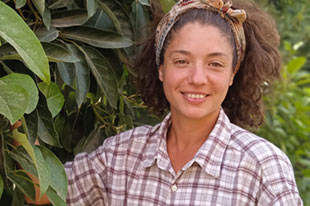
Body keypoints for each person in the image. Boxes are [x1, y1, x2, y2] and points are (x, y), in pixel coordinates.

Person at [28, 0, 303, 205]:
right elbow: (40, 190)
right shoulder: (121, 155)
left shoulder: (263, 166)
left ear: (233, 73)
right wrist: (19, 106)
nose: (197, 78)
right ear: (161, 67)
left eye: (215, 64)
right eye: (181, 61)